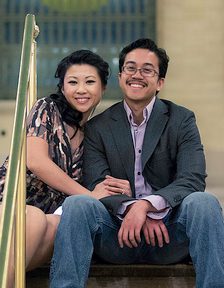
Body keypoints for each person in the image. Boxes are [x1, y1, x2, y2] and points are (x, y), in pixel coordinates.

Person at [50, 38, 224, 288]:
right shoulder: (99, 127)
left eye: (147, 70)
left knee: (204, 202)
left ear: (160, 82)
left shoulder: (182, 119)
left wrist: (147, 207)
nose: (137, 75)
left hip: (169, 232)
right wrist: (130, 209)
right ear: (121, 76)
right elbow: (97, 182)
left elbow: (192, 178)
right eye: (130, 68)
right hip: (116, 234)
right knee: (78, 204)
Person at [0, 49, 131, 287]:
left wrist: (122, 186)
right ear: (62, 87)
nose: (81, 89)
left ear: (102, 88)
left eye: (90, 82)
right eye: (72, 82)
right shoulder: (47, 109)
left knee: (63, 225)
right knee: (34, 218)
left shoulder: (94, 135)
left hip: (48, 220)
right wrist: (90, 196)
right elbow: (36, 161)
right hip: (10, 207)